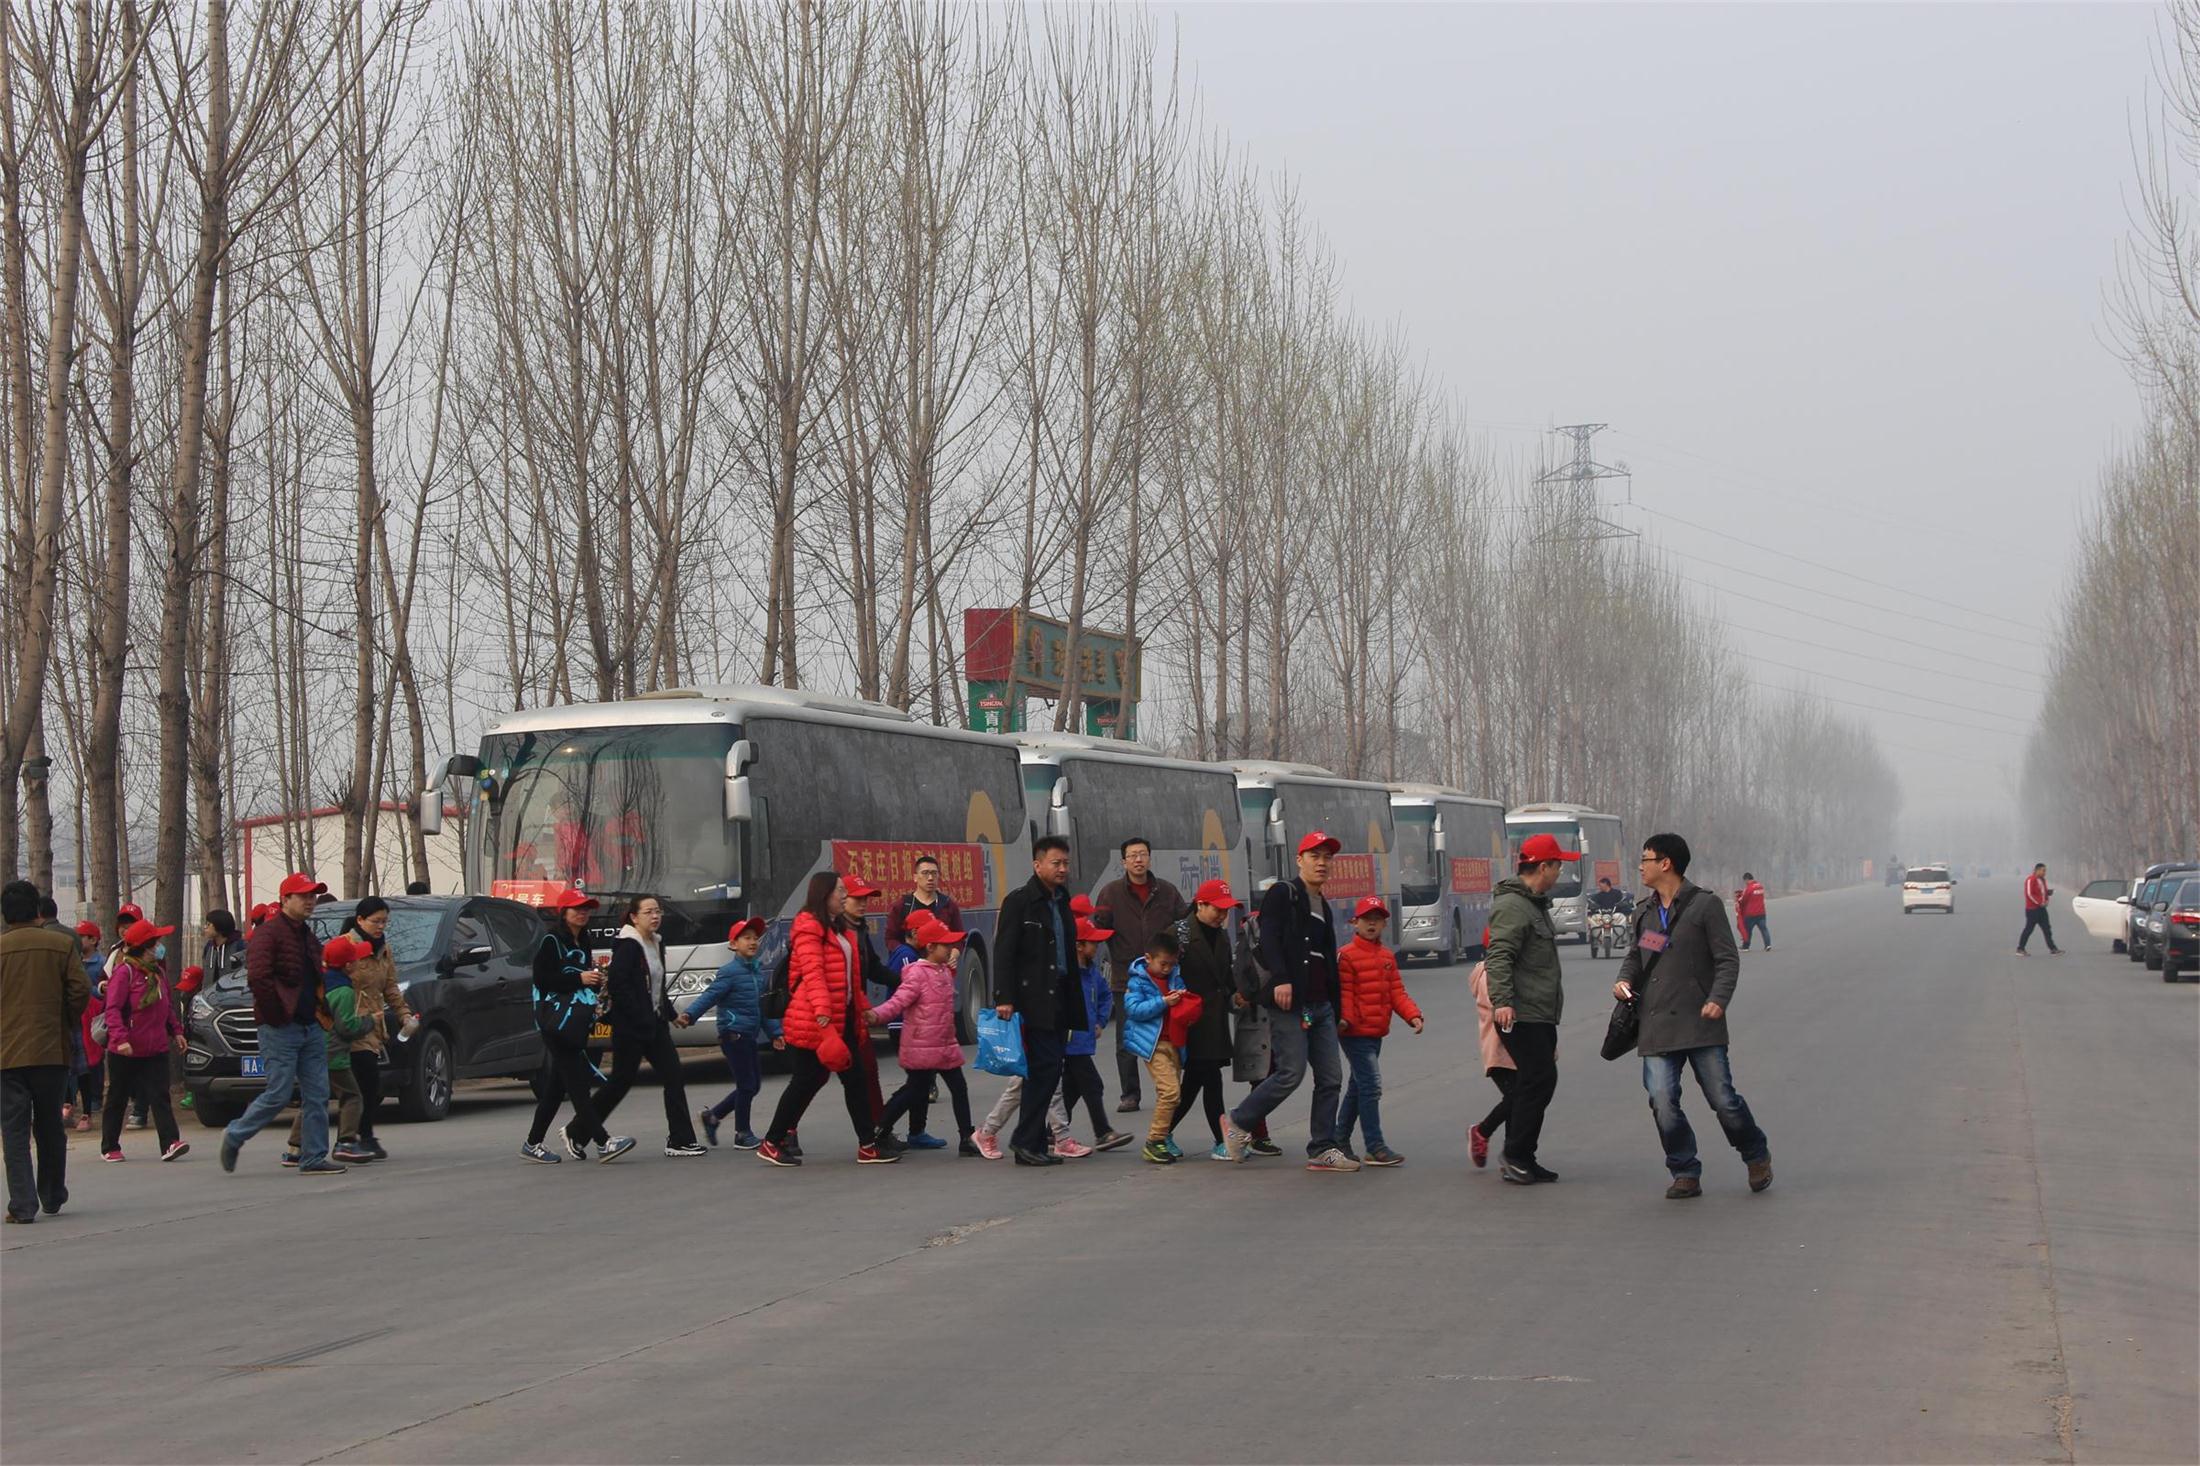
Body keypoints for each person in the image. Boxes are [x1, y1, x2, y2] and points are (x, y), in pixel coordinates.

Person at [1613, 833, 1772, 1200]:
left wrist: (1718, 999)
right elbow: (1639, 957)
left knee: (1723, 1100)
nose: (1640, 866)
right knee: (1662, 1101)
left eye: (1646, 859)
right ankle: (1684, 1169)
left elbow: (1727, 959)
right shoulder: (1645, 912)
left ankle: (1755, 1154)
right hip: (1656, 1024)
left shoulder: (1704, 907)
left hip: (1701, 1023)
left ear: (1665, 863)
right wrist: (1623, 980)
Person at [1222, 831, 1353, 1172]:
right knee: (1290, 1073)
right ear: (1299, 860)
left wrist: (1337, 1010)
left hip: (1322, 1006)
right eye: (1315, 856)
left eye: (1327, 858)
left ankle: (1322, 1147)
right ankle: (1238, 1120)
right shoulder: (1283, 893)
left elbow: (1327, 961)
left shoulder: (1323, 905)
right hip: (1289, 1002)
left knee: (1331, 1078)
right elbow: (1269, 936)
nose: (1322, 863)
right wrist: (1281, 978)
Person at [759, 874, 894, 1167]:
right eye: (840, 891)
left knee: (854, 1080)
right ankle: (772, 1141)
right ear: (824, 894)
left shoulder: (839, 927)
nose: (845, 896)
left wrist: (863, 1007)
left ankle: (867, 1146)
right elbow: (813, 974)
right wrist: (823, 1014)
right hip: (815, 1022)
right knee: (805, 1081)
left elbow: (851, 977)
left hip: (841, 1019)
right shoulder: (808, 927)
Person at [222, 873, 346, 1176]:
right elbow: (258, 978)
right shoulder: (268, 934)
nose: (310, 901)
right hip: (280, 1028)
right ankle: (235, 1134)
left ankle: (313, 1157)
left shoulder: (307, 935)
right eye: (303, 896)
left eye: (312, 896)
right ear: (285, 899)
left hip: (311, 1026)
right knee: (278, 1093)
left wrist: (320, 1011)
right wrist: (277, 1015)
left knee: (317, 1094)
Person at [972, 917, 1118, 1160]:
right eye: (1092, 942)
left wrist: (1097, 1021)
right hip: (1035, 1033)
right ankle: (1060, 1138)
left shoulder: (1076, 970)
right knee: (1046, 1088)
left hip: (1048, 1033)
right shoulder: (1040, 965)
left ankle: (989, 1132)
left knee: (1024, 1089)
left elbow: (1099, 996)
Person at [1484, 832, 1574, 1186]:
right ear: (1543, 867)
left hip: (1539, 1010)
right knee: (1538, 1079)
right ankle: (1515, 1155)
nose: (1559, 872)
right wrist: (1503, 1001)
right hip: (1520, 1012)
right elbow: (1499, 956)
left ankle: (1524, 1156)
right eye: (1557, 866)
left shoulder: (1534, 904)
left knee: (1537, 1080)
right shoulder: (1512, 905)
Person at [992, 837, 1085, 1166]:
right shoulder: (1020, 902)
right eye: (1055, 863)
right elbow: (1004, 952)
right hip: (1032, 999)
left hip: (1060, 995)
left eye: (1065, 863)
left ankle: (1030, 1143)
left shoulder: (1061, 900)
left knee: (1048, 1069)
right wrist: (1004, 997)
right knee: (1044, 1069)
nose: (1062, 869)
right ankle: (1025, 1141)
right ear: (1037, 865)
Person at [590, 894, 705, 1157]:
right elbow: (618, 986)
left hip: (654, 1024)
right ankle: (578, 1130)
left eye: (658, 911)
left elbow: (656, 986)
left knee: (673, 1075)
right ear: (634, 917)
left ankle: (680, 1140)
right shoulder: (628, 945)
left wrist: (671, 1014)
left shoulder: (655, 942)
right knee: (620, 1081)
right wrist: (640, 1016)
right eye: (648, 912)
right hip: (631, 1027)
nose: (655, 916)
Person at [1, 880, 89, 1222]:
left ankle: (22, 1205)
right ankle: (52, 1194)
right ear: (37, 910)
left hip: (7, 1054)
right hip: (51, 1050)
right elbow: (80, 990)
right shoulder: (60, 944)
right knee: (50, 1123)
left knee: (14, 1130)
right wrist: (64, 1021)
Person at [522, 889, 630, 1164]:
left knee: (557, 1088)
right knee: (578, 1085)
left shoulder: (583, 939)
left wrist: (594, 980)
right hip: (555, 1021)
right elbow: (541, 979)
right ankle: (603, 1142)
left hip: (573, 1020)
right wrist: (579, 979)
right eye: (577, 908)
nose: (583, 913)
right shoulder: (551, 940)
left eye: (586, 909)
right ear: (564, 912)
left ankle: (532, 1143)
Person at [1095, 838, 1192, 1113]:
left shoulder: (1167, 891)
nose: (1138, 860)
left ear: (1150, 858)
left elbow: (1184, 925)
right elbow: (1100, 928)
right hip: (1126, 977)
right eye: (1132, 856)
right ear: (1123, 861)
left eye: (1142, 854)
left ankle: (1170, 1087)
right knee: (1126, 1040)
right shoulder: (1110, 893)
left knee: (1170, 1034)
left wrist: (1177, 954)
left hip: (1164, 977)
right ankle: (1130, 1094)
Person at [867, 914, 976, 1155]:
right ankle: (879, 1130)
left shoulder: (944, 971)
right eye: (945, 945)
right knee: (913, 1091)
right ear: (930, 947)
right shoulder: (916, 973)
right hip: (922, 1046)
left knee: (959, 1088)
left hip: (945, 1045)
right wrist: (876, 1015)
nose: (950, 949)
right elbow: (898, 1001)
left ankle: (967, 1137)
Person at [1335, 896, 1424, 1167]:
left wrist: (1412, 1015)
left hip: (1376, 1032)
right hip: (1354, 1032)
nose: (1371, 924)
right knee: (1371, 1086)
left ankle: (1339, 1140)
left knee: (1358, 1087)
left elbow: (1396, 992)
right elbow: (1344, 993)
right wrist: (1345, 1020)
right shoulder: (1346, 955)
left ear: (1384, 924)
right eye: (1366, 919)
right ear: (1355, 923)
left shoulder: (1386, 957)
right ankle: (1374, 1146)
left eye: (1377, 919)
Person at [679, 917, 778, 1149]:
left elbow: (763, 1007)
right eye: (746, 938)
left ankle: (713, 1116)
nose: (752, 942)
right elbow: (710, 996)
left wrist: (775, 1033)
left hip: (749, 1035)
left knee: (753, 1086)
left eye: (755, 938)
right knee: (747, 1085)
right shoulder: (729, 972)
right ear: (733, 944)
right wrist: (690, 1015)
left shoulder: (757, 973)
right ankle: (742, 1133)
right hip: (733, 1034)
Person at [97, 918, 189, 1163]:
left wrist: (176, 1031)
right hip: (125, 1049)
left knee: (160, 1096)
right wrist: (120, 1039)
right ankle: (110, 1146)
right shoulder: (124, 973)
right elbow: (112, 1009)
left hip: (155, 1047)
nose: (159, 947)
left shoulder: (157, 973)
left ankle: (170, 1142)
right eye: (155, 943)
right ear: (144, 947)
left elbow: (166, 1006)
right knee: (118, 1097)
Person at [284, 936, 376, 1166]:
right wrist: (370, 1021)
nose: (359, 963)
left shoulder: (320, 982)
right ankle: (346, 1142)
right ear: (348, 965)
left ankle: (295, 1148)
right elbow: (347, 1027)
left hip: (313, 1049)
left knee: (312, 1098)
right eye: (356, 959)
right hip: (334, 1054)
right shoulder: (344, 991)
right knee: (352, 1096)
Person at [1170, 879, 1244, 1160]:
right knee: (1208, 1079)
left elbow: (1226, 977)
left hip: (1214, 1020)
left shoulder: (1221, 937)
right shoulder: (1178, 934)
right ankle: (1221, 1140)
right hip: (1188, 1021)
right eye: (1217, 909)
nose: (1222, 916)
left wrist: (1236, 995)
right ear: (1200, 905)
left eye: (1226, 911)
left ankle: (1162, 1133)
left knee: (1199, 1080)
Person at [338, 898, 412, 1161]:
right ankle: (349, 1138)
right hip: (348, 1023)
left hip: (373, 1026)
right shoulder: (344, 947)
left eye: (384, 922)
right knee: (359, 1083)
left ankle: (361, 1135)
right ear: (360, 920)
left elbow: (390, 987)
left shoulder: (384, 950)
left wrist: (403, 1014)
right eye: (375, 921)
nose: (380, 926)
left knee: (369, 1084)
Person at [1122, 931, 1192, 1164]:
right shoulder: (1137, 981)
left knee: (1173, 1094)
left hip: (1175, 1042)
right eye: (1163, 964)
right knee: (1170, 1092)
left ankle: (1163, 1139)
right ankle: (1155, 1140)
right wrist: (1163, 1002)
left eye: (1171, 964)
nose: (1167, 969)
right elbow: (1133, 1010)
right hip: (1153, 1044)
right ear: (1148, 958)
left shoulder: (1175, 977)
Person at [1466, 958, 1514, 1169]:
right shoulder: (1492, 974)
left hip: (1516, 1048)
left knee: (1517, 1101)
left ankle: (1512, 1154)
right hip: (1499, 1048)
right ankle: (1482, 1131)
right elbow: (1502, 1007)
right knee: (1517, 1098)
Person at [883, 854, 963, 951]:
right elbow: (890, 938)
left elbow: (959, 936)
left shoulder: (948, 905)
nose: (930, 878)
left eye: (934, 873)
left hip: (941, 959)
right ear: (915, 877)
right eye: (925, 873)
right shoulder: (902, 905)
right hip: (912, 959)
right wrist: (904, 953)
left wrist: (956, 951)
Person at [2017, 863, 2061, 956]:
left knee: (2047, 929)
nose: (2045, 873)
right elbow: (2029, 894)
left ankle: (2053, 949)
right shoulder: (2030, 879)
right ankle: (2020, 949)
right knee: (2029, 929)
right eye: (2043, 870)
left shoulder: (2042, 880)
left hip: (2042, 909)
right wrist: (2039, 902)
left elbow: (2043, 892)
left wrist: (2048, 895)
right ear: (2037, 870)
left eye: (2045, 871)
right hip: (2032, 910)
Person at [1734, 873, 1771, 951]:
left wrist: (1737, 899)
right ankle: (1768, 945)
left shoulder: (1749, 888)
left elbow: (1743, 899)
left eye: (1745, 881)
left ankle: (1746, 946)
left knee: (1747, 930)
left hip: (1751, 914)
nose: (1745, 883)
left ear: (1747, 879)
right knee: (1764, 929)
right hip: (1761, 912)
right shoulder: (1760, 886)